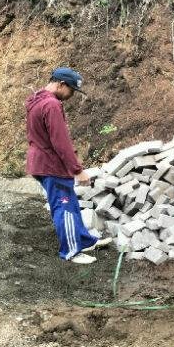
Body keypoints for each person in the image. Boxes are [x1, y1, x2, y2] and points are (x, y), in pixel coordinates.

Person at [25, 67, 108, 264]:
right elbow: (60, 141)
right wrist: (77, 170)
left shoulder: (37, 100)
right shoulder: (52, 105)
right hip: (51, 165)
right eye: (71, 90)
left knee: (70, 203)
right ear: (61, 84)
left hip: (41, 162)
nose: (71, 95)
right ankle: (71, 251)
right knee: (64, 208)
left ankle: (84, 240)